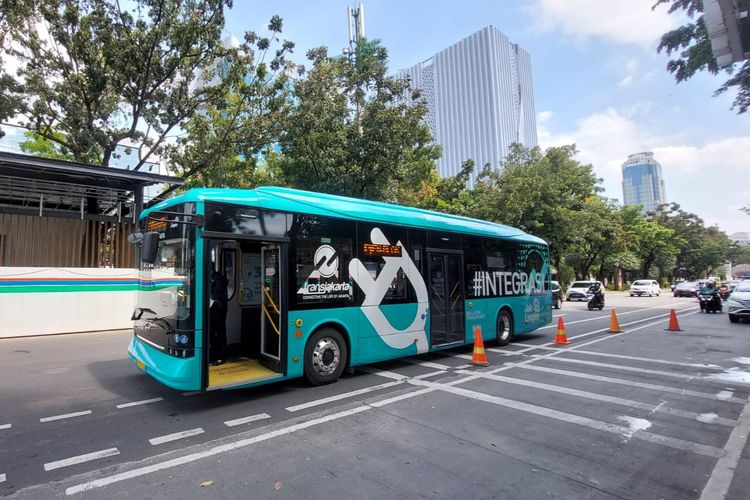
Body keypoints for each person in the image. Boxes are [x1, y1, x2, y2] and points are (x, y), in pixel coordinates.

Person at [209, 267, 228, 365]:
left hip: (218, 307)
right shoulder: (208, 277)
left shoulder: (217, 277)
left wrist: (209, 287)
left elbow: (220, 289)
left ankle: (221, 356)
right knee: (211, 333)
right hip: (211, 308)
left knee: (217, 332)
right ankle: (215, 354)